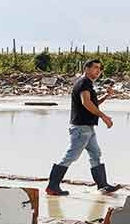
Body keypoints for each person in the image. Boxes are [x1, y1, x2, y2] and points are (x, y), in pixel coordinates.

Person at [46, 59, 122, 196]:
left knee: (95, 154)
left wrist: (106, 96)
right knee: (71, 156)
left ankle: (103, 185)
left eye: (100, 68)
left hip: (87, 128)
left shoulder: (87, 84)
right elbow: (86, 103)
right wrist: (103, 117)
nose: (98, 71)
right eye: (95, 68)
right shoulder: (84, 83)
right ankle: (52, 186)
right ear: (86, 68)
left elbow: (92, 103)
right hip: (81, 128)